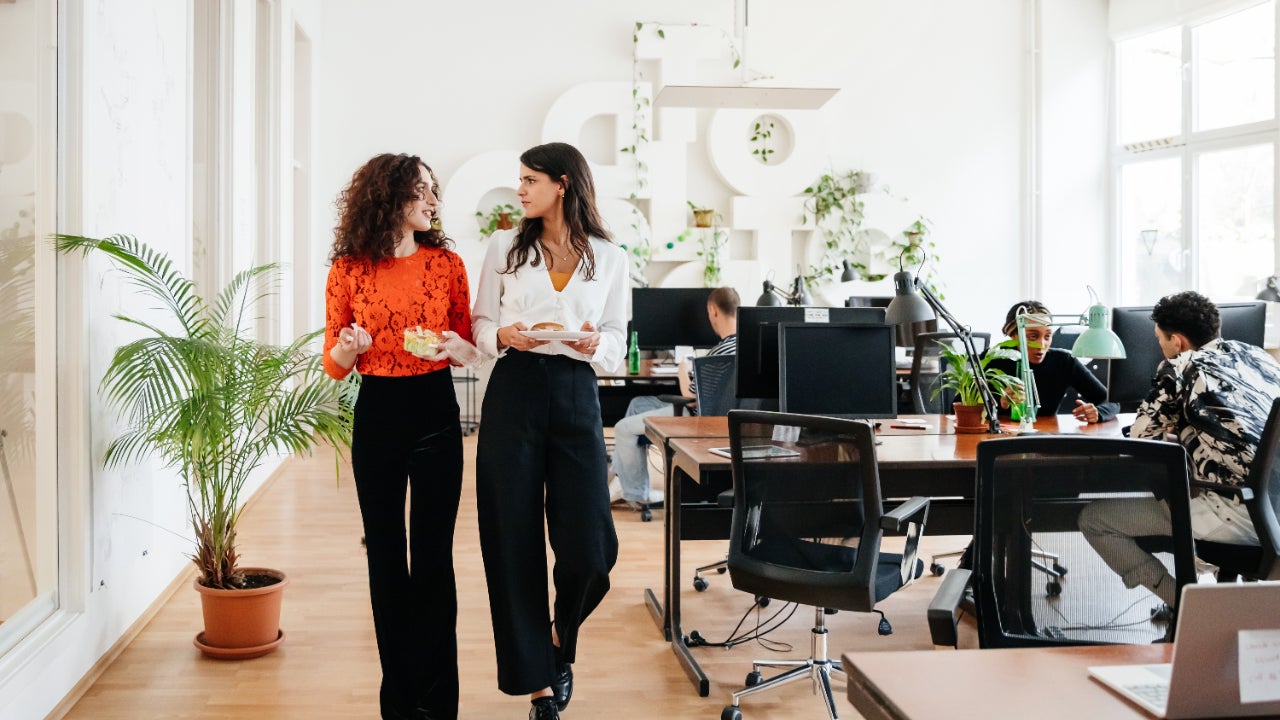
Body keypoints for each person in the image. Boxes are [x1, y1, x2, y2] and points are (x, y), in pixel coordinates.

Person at [471, 142, 625, 720]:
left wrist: (597, 345)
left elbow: (616, 336)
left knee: (591, 549)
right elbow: (481, 323)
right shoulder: (504, 247)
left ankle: (558, 641)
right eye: (519, 180)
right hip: (514, 389)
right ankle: (538, 685)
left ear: (562, 183)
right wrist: (503, 336)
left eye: (530, 180)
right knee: (511, 539)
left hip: (576, 391)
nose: (520, 190)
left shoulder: (609, 256)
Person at [322, 153, 473, 720]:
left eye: (434, 191)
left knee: (433, 559)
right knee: (386, 558)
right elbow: (333, 365)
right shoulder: (348, 270)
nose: (434, 201)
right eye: (422, 190)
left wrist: (453, 348)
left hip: (435, 410)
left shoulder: (447, 264)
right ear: (388, 197)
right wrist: (349, 348)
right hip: (378, 414)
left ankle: (439, 705)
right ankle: (400, 702)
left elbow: (466, 344)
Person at [1079, 291, 1280, 606]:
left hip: (1237, 514)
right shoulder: (1258, 357)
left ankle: (1189, 608)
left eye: (1159, 339)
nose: (1159, 346)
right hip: (1274, 510)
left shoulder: (1179, 367)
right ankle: (1213, 603)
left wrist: (1174, 428)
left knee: (1094, 520)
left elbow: (1141, 441)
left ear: (1177, 341)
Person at [607, 286, 740, 507]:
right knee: (638, 404)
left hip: (698, 419)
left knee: (622, 428)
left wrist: (682, 370)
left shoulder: (718, 353)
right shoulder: (743, 347)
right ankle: (626, 480)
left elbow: (691, 396)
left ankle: (637, 495)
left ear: (713, 310)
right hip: (726, 419)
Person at [987, 300, 1119, 424]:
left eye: (1047, 336)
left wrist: (1098, 413)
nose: (1041, 345)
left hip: (1048, 434)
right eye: (1033, 336)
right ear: (1013, 335)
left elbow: (1111, 402)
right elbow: (976, 410)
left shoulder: (1063, 361)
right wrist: (1002, 403)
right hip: (1002, 437)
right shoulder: (992, 360)